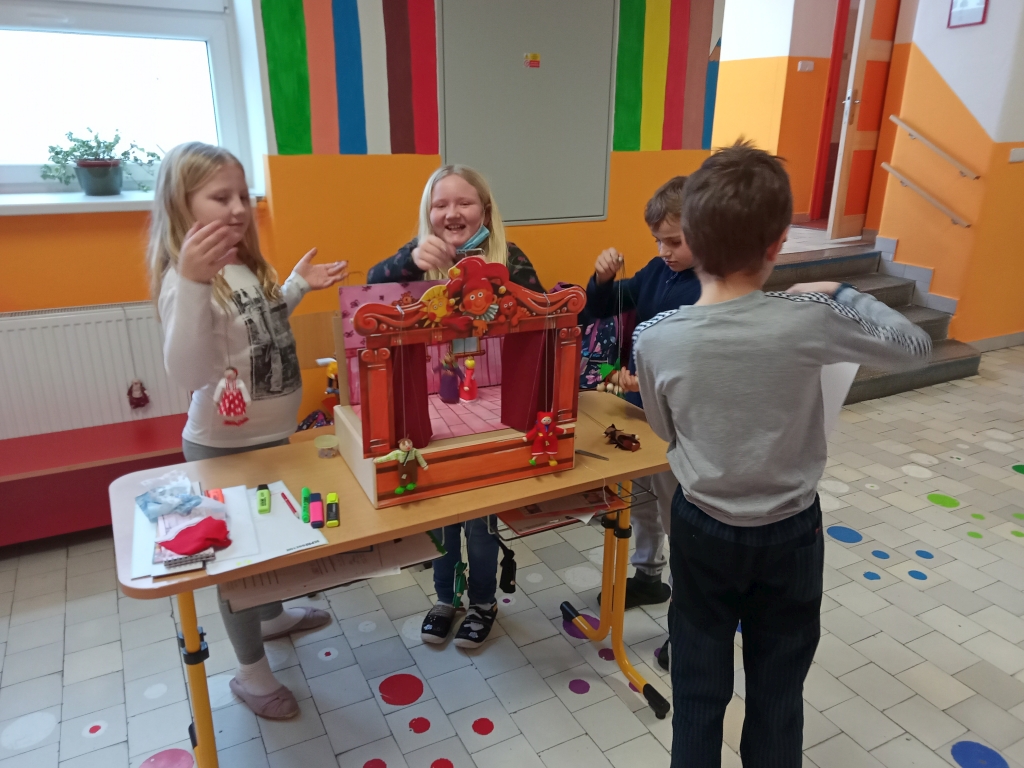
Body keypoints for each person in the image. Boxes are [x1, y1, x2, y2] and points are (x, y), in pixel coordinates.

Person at [633, 142, 931, 766]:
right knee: (777, 690)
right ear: (778, 243)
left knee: (698, 688)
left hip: (702, 525)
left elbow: (665, 430)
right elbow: (913, 346)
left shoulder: (656, 338)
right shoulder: (810, 318)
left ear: (693, 240)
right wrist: (838, 290)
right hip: (791, 531)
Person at [149, 142, 348, 719]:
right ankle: (251, 674)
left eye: (242, 195)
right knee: (237, 565)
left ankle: (274, 617)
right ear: (182, 205)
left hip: (272, 438)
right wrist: (192, 281)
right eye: (220, 197)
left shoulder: (243, 266)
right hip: (222, 446)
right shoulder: (186, 279)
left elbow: (259, 325)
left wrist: (296, 285)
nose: (238, 208)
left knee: (273, 544)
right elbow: (190, 372)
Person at [369, 164, 543, 648]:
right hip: (435, 414)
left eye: (464, 202)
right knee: (442, 521)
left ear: (484, 209)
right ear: (428, 213)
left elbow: (541, 316)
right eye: (440, 204)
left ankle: (483, 603)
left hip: (492, 412)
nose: (452, 213)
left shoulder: (509, 257)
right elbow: (373, 284)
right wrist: (411, 260)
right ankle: (446, 599)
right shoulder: (417, 258)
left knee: (482, 526)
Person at [586, 178, 700, 673]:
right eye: (658, 241)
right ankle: (650, 576)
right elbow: (600, 306)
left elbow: (696, 365)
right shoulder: (658, 271)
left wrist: (647, 381)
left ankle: (689, 626)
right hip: (641, 411)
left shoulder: (713, 289)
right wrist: (603, 279)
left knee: (680, 519)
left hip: (678, 424)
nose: (663, 251)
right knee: (644, 501)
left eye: (674, 241)